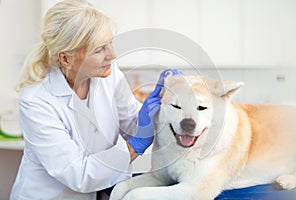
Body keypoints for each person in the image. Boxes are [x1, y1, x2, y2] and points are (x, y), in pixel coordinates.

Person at [10, 0, 182, 199]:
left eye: (110, 43)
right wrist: (135, 144)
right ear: (67, 58)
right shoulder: (36, 101)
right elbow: (78, 173)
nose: (112, 55)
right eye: (99, 49)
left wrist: (164, 108)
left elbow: (134, 124)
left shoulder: (108, 75)